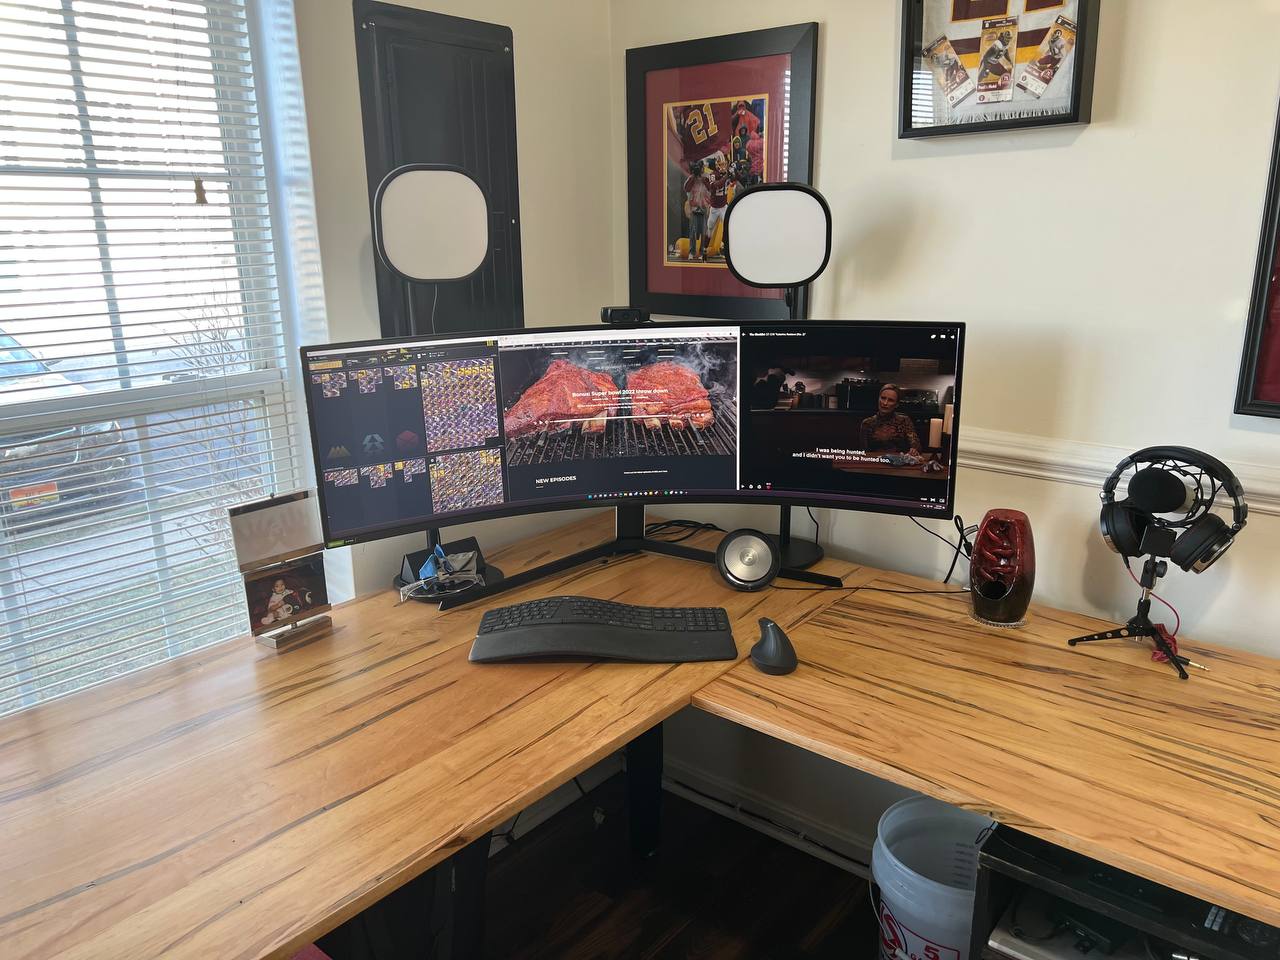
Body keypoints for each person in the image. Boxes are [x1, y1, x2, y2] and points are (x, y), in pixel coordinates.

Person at [858, 384, 921, 455]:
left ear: (897, 404)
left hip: (899, 463)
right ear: (878, 399)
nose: (885, 403)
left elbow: (916, 445)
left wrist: (914, 450)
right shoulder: (867, 423)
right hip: (875, 462)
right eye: (883, 398)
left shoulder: (904, 420)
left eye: (890, 400)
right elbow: (863, 452)